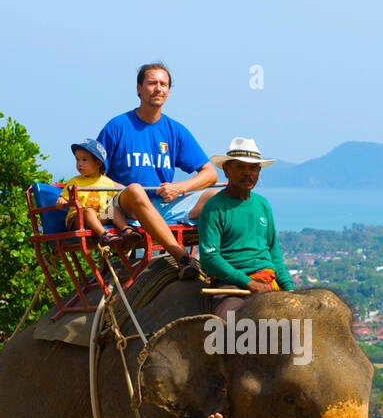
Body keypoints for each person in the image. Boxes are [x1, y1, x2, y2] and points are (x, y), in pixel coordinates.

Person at [97, 63, 218, 279]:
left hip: (165, 205)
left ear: (169, 91)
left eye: (163, 84)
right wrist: (124, 189)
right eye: (152, 83)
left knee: (218, 197)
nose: (158, 89)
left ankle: (224, 261)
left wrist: (180, 187)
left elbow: (210, 174)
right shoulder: (117, 126)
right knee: (135, 190)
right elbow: (95, 176)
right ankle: (182, 258)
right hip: (123, 207)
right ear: (139, 89)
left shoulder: (175, 130)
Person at [197, 137, 293, 298]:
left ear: (259, 171)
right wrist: (247, 282)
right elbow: (209, 257)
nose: (248, 173)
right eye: (241, 167)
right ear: (227, 170)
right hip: (230, 283)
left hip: (267, 280)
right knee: (230, 321)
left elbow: (273, 251)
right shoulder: (214, 207)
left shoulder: (262, 204)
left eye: (253, 168)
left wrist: (289, 288)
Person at [51, 139, 135, 247]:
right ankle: (104, 235)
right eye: (77, 160)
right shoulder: (75, 181)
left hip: (99, 217)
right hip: (77, 219)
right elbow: (64, 198)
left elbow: (120, 196)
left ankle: (126, 230)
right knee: (88, 211)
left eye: (84, 160)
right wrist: (61, 200)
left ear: (98, 163)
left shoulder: (107, 182)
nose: (79, 164)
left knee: (112, 210)